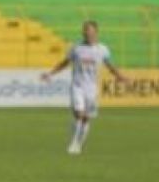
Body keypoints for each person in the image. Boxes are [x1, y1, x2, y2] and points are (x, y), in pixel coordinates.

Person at [42, 20, 126, 155]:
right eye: (85, 31)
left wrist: (120, 76)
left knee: (86, 118)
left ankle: (79, 144)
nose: (87, 33)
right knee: (78, 114)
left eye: (90, 31)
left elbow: (110, 65)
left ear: (96, 32)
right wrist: (50, 73)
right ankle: (73, 143)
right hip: (77, 86)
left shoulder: (102, 49)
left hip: (92, 89)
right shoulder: (76, 48)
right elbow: (65, 63)